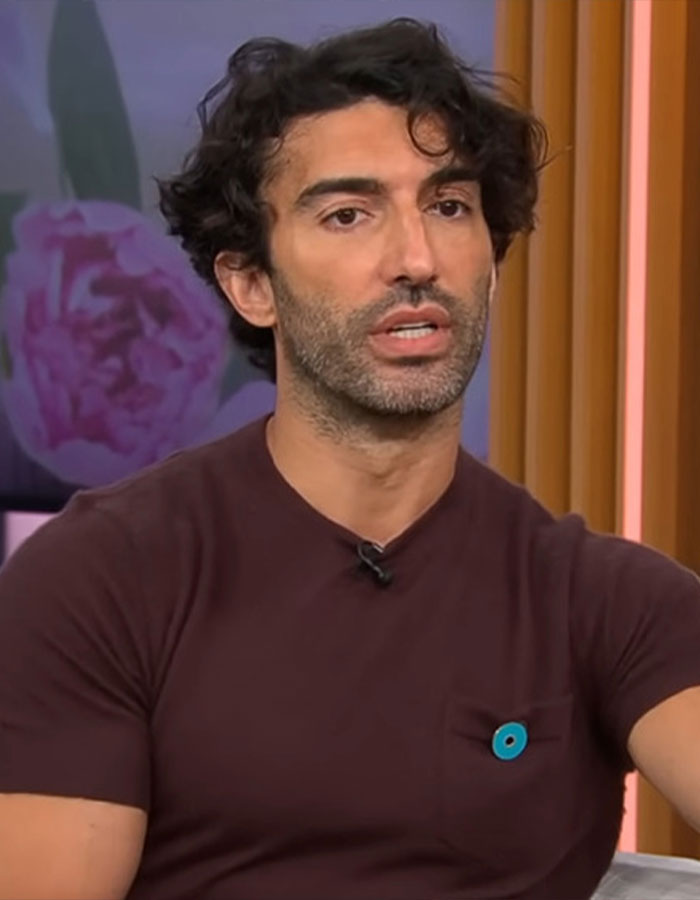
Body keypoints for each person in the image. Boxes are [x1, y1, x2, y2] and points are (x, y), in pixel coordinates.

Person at [0, 17, 699, 900]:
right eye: (348, 214)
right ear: (251, 284)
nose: (416, 259)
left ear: (491, 262)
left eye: (448, 206)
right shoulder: (102, 576)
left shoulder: (608, 602)